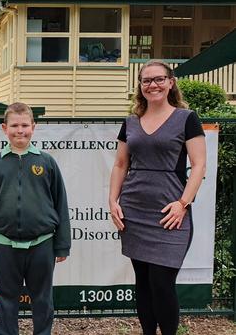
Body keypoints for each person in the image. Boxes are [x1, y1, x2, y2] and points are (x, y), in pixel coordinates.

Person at [109, 60, 206, 335]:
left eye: (159, 79)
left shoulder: (187, 119)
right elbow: (120, 165)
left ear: (171, 82)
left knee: (162, 284)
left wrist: (183, 203)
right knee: (143, 283)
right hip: (134, 211)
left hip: (170, 214)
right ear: (140, 87)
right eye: (146, 81)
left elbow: (199, 165)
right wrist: (113, 202)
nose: (153, 85)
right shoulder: (130, 122)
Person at [0, 102, 71, 335]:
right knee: (7, 299)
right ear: (4, 128)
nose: (20, 130)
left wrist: (62, 245)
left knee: (42, 299)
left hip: (42, 244)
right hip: (4, 244)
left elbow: (60, 203)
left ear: (34, 127)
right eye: (15, 125)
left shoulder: (46, 162)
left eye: (25, 125)